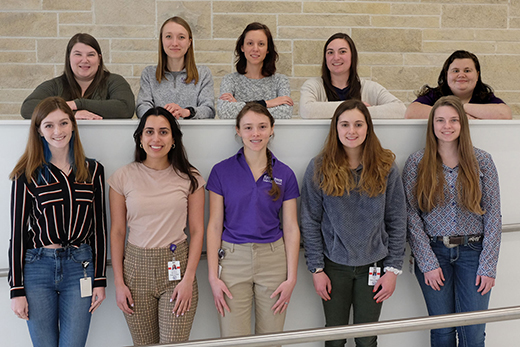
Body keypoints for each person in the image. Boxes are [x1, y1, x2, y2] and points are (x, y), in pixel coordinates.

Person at [300, 99, 406, 347]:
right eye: (345, 124)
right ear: (335, 129)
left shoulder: (386, 167)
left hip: (375, 265)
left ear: (368, 128)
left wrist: (392, 270)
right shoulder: (319, 167)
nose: (352, 131)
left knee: (367, 338)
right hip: (333, 266)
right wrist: (316, 269)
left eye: (358, 124)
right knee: (334, 338)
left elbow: (397, 219)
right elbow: (310, 220)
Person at [403, 96, 502, 346]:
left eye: (453, 120)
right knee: (442, 330)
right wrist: (426, 261)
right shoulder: (417, 162)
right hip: (434, 254)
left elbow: (493, 214)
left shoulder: (483, 161)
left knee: (473, 333)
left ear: (462, 124)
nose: (447, 126)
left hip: (474, 253)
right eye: (440, 120)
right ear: (432, 124)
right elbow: (410, 214)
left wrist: (488, 265)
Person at [9, 96, 107, 347]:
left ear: (73, 126)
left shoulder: (93, 170)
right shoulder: (27, 173)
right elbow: (18, 233)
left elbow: (100, 229)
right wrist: (16, 289)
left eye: (63, 123)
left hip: (80, 268)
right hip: (38, 269)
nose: (57, 131)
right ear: (39, 131)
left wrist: (99, 279)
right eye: (49, 125)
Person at [108, 107, 204, 345]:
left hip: (177, 271)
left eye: (163, 132)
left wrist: (188, 279)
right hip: (135, 271)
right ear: (140, 138)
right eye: (149, 132)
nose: (156, 138)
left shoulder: (190, 178)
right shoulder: (122, 177)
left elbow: (197, 230)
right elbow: (118, 232)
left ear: (173, 140)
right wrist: (119, 283)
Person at [206, 103, 300, 339]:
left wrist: (291, 278)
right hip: (232, 261)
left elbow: (290, 227)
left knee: (271, 339)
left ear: (271, 129)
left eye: (261, 127)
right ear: (238, 131)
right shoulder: (221, 171)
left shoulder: (285, 173)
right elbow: (214, 225)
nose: (255, 134)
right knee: (234, 339)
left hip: (274, 261)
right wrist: (212, 277)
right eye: (248, 127)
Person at [21, 33, 135, 120]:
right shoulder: (55, 85)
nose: (84, 60)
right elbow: (28, 107)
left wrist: (78, 104)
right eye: (78, 54)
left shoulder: (115, 81)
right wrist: (71, 114)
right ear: (69, 58)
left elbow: (126, 109)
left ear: (99, 59)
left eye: (91, 55)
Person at [299, 33, 405, 119]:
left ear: (352, 56)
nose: (336, 57)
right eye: (330, 52)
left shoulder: (370, 87)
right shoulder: (312, 85)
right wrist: (354, 107)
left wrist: (364, 111)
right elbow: (306, 110)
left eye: (342, 52)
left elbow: (400, 109)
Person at [136, 16, 215, 119]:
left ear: (189, 42)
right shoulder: (149, 73)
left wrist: (186, 112)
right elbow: (141, 108)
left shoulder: (203, 73)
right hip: (160, 133)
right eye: (168, 36)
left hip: (195, 134)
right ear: (162, 40)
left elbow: (209, 110)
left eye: (181, 37)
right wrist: (164, 115)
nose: (174, 43)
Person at [405, 50, 511, 119]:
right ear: (446, 75)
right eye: (455, 71)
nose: (461, 75)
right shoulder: (434, 95)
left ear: (477, 75)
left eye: (467, 71)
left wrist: (462, 107)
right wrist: (460, 116)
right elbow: (411, 113)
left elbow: (505, 114)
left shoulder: (485, 97)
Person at [217, 23, 293, 119]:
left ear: (268, 49)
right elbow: (224, 111)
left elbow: (285, 114)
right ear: (242, 47)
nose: (255, 49)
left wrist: (240, 106)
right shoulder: (230, 80)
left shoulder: (280, 81)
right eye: (250, 43)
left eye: (261, 44)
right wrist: (268, 103)